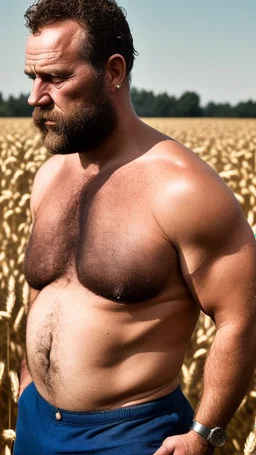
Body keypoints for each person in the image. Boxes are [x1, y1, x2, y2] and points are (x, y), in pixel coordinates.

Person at [14, 1, 256, 454]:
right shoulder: (50, 177)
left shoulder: (182, 188)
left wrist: (205, 434)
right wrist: (29, 381)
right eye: (33, 78)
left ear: (113, 72)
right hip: (34, 424)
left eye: (58, 77)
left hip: (132, 437)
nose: (36, 97)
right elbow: (42, 290)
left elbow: (241, 318)